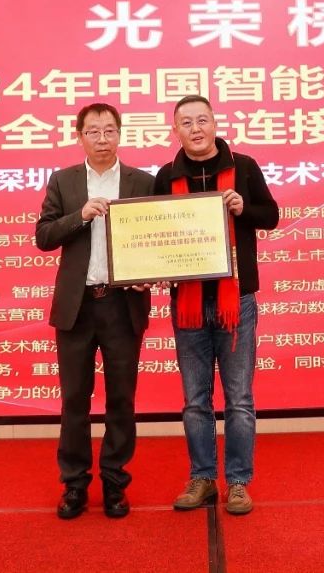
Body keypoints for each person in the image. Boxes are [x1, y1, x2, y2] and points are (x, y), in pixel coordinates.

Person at [153, 95, 280, 516]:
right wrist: (153, 268)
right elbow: (154, 235)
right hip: (188, 302)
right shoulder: (166, 176)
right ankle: (203, 478)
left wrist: (244, 207)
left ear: (214, 124)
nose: (196, 129)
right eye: (186, 122)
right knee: (195, 400)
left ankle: (239, 482)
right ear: (176, 130)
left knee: (239, 399)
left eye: (202, 120)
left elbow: (271, 215)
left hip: (236, 300)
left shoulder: (244, 167)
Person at [35, 102, 154, 520]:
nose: (102, 139)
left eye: (109, 131)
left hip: (123, 305)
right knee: (74, 400)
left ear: (120, 134)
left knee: (121, 399)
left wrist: (150, 275)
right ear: (80, 136)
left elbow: (157, 240)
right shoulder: (64, 181)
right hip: (77, 306)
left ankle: (115, 482)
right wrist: (80, 216)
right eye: (93, 131)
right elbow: (44, 236)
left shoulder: (143, 182)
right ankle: (74, 485)